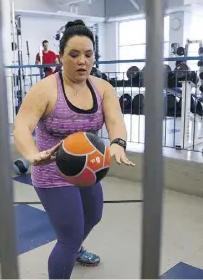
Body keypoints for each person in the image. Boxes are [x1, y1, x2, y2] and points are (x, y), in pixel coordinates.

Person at [14, 20, 135, 279]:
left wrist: (117, 143)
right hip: (52, 173)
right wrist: (31, 153)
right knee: (68, 237)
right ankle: (71, 249)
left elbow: (115, 121)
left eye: (88, 55)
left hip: (89, 170)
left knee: (93, 216)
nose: (83, 61)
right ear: (60, 57)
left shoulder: (102, 88)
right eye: (74, 54)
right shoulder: (46, 89)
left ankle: (76, 248)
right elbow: (22, 126)